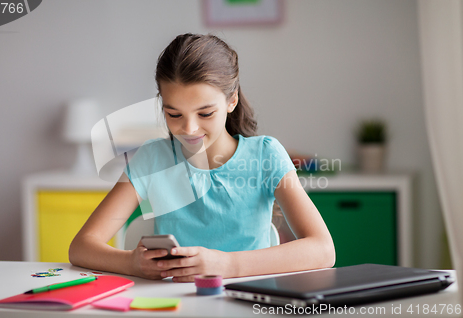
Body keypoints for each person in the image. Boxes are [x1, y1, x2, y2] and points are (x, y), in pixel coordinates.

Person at [69, 33, 335, 282]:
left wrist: (227, 265)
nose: (189, 129)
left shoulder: (266, 155)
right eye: (174, 114)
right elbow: (81, 247)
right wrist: (132, 264)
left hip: (248, 303)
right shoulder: (152, 158)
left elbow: (323, 250)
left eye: (205, 113)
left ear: (231, 101)